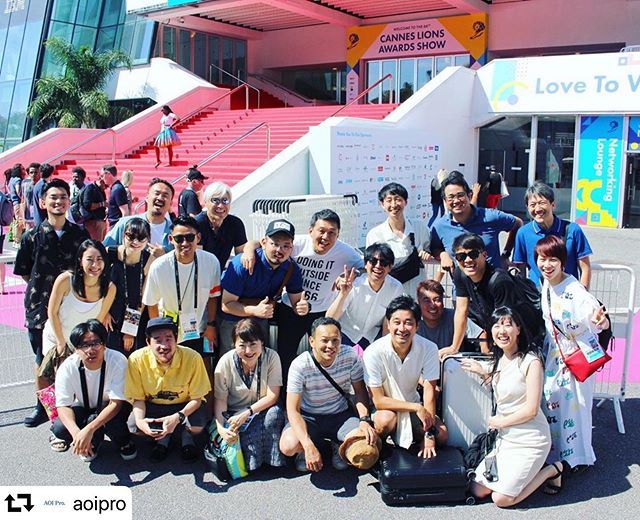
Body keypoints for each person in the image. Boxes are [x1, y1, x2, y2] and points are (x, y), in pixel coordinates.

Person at [461, 307, 555, 508]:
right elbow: (507, 388)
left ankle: (552, 470)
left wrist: (500, 422)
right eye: (496, 325)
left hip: (531, 439)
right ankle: (517, 477)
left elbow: (531, 409)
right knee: (477, 489)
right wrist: (481, 371)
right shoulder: (500, 360)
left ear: (518, 329)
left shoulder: (531, 361)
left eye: (507, 324)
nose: (502, 330)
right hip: (507, 439)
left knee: (501, 499)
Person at [536, 235, 609, 492]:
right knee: (553, 403)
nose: (546, 264)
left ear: (562, 262)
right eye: (542, 259)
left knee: (575, 408)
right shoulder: (546, 285)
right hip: (555, 356)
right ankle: (558, 455)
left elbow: (599, 320)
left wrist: (600, 321)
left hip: (574, 358)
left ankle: (575, 459)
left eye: (552, 259)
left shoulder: (575, 290)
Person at [14, 179, 89, 427]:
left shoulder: (80, 235)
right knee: (43, 361)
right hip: (39, 309)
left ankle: (75, 407)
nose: (58, 202)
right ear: (43, 202)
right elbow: (25, 272)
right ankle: (43, 408)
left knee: (75, 357)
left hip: (72, 309)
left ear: (69, 201)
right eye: (53, 197)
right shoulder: (31, 236)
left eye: (63, 197)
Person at [279, 317, 379, 472]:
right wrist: (306, 444)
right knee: (288, 446)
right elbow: (292, 409)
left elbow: (360, 392)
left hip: (339, 415)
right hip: (308, 417)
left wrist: (365, 420)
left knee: (365, 443)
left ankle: (338, 444)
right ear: (311, 341)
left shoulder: (350, 355)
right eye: (324, 340)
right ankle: (307, 449)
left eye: (335, 340)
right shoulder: (299, 365)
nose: (330, 346)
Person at [274, 209, 362, 379]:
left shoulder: (345, 251)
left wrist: (348, 275)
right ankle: (286, 397)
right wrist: (248, 250)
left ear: (338, 235)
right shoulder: (296, 244)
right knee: (285, 355)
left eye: (332, 233)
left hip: (322, 312)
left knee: (324, 355)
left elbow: (364, 266)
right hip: (291, 308)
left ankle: (320, 394)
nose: (326, 237)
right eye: (321, 231)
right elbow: (264, 244)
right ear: (310, 231)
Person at [363, 296, 447, 458]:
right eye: (396, 322)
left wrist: (428, 435)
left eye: (408, 322)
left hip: (414, 406)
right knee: (386, 420)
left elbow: (429, 393)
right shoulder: (373, 351)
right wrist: (416, 407)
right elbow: (379, 401)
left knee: (441, 435)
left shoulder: (429, 348)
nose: (402, 328)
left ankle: (414, 441)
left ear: (417, 326)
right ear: (388, 324)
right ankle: (380, 448)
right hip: (387, 410)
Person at [439, 233, 544, 360]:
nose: (467, 261)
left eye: (473, 254)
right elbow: (461, 311)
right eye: (461, 256)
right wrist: (454, 347)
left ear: (484, 255)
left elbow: (505, 321)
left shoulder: (499, 281)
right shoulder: (460, 275)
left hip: (526, 333)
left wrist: (498, 353)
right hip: (504, 332)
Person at [125, 317, 211, 462]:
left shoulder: (193, 357)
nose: (164, 346)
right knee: (134, 426)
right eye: (157, 340)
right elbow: (138, 398)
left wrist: (178, 417)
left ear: (176, 339)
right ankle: (164, 439)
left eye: (168, 339)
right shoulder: (136, 359)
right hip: (154, 406)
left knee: (199, 423)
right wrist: (140, 421)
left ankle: (186, 437)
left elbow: (197, 399)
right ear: (148, 342)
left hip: (185, 407)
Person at [49, 320, 137, 462]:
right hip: (82, 406)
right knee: (60, 428)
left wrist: (89, 430)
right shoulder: (67, 367)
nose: (91, 350)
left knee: (114, 424)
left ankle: (124, 441)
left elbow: (116, 403)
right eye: (84, 345)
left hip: (109, 405)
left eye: (96, 343)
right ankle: (90, 445)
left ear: (104, 344)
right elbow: (63, 405)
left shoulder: (118, 360)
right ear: (76, 349)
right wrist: (77, 433)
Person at [220, 219, 306, 355]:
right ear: (264, 243)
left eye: (285, 246)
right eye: (275, 244)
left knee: (260, 363)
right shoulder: (242, 264)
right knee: (231, 365)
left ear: (291, 248)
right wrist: (254, 310)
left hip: (260, 320)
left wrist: (302, 307)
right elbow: (226, 304)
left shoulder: (291, 268)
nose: (279, 250)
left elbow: (297, 301)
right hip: (233, 320)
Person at [213, 318, 286, 472]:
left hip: (262, 408)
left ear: (262, 343)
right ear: (234, 344)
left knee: (275, 415)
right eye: (242, 345)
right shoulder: (225, 363)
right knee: (239, 436)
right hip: (234, 414)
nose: (248, 351)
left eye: (253, 344)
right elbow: (220, 399)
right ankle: (253, 465)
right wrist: (221, 428)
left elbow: (273, 396)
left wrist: (247, 412)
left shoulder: (272, 357)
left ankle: (273, 462)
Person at [142, 215, 221, 355]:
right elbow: (151, 303)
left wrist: (211, 325)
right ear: (171, 240)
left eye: (190, 237)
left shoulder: (211, 262)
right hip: (168, 332)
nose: (185, 243)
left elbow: (213, 296)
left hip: (198, 330)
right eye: (179, 238)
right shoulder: (159, 267)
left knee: (199, 370)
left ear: (198, 237)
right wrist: (158, 333)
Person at [40, 239, 116, 363]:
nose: (95, 265)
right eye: (90, 259)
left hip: (83, 345)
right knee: (56, 378)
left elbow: (97, 322)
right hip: (57, 338)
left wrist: (85, 347)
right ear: (80, 261)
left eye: (99, 259)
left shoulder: (110, 289)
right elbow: (52, 313)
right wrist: (61, 343)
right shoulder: (65, 280)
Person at [430, 173, 522, 273]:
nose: (456, 201)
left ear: (469, 195)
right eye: (450, 197)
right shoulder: (440, 227)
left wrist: (506, 254)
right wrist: (443, 254)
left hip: (493, 285)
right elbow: (434, 247)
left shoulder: (490, 216)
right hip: (461, 287)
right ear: (445, 201)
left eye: (460, 195)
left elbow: (518, 224)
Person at [513, 181, 592, 288]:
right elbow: (520, 269)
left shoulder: (573, 230)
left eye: (542, 203)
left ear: (553, 205)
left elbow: (585, 267)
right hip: (538, 296)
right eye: (532, 205)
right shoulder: (523, 233)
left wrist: (583, 296)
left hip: (568, 294)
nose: (537, 209)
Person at [325, 243, 403, 350]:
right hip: (345, 334)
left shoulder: (396, 288)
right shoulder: (355, 283)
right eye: (373, 261)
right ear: (366, 264)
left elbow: (388, 321)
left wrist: (385, 349)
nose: (378, 266)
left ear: (390, 267)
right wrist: (343, 294)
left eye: (384, 263)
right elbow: (330, 318)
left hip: (370, 338)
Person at [366, 182, 430, 296]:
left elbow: (430, 250)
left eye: (398, 199)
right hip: (389, 294)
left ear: (406, 202)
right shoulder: (375, 235)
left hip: (417, 292)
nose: (394, 204)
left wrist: (426, 254)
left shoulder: (419, 227)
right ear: (382, 204)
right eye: (389, 200)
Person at [106, 217, 156, 355]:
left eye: (141, 238)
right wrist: (103, 312)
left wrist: (130, 330)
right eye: (131, 236)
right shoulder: (109, 253)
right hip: (111, 314)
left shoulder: (149, 261)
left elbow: (143, 299)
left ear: (148, 239)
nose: (135, 242)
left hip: (135, 314)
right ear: (123, 235)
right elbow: (99, 284)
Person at [104, 177, 175, 254]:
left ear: (170, 203)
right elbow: (103, 250)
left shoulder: (175, 231)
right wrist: (124, 252)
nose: (160, 198)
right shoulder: (125, 224)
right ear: (147, 198)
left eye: (165, 195)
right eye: (157, 193)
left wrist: (164, 256)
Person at [416, 279, 485, 351]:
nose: (432, 305)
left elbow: (482, 336)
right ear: (418, 302)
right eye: (427, 300)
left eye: (437, 300)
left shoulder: (454, 316)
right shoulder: (414, 321)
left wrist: (485, 361)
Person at [195, 181, 248, 269]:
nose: (220, 206)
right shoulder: (198, 224)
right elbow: (198, 260)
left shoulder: (235, 224)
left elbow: (242, 255)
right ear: (206, 202)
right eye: (215, 200)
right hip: (200, 274)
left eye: (225, 201)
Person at [81, 166, 115, 241]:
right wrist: (102, 204)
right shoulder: (90, 188)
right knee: (96, 243)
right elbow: (87, 205)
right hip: (93, 222)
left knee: (101, 243)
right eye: (105, 185)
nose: (105, 188)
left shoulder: (101, 190)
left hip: (100, 221)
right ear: (100, 180)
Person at [31, 162, 54, 227]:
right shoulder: (43, 186)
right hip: (42, 219)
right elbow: (42, 205)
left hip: (38, 218)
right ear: (51, 173)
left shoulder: (38, 184)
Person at [21, 162, 40, 228]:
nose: (33, 174)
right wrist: (23, 217)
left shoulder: (42, 185)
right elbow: (23, 200)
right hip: (28, 215)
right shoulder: (25, 184)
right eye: (31, 172)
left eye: (36, 172)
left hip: (40, 215)